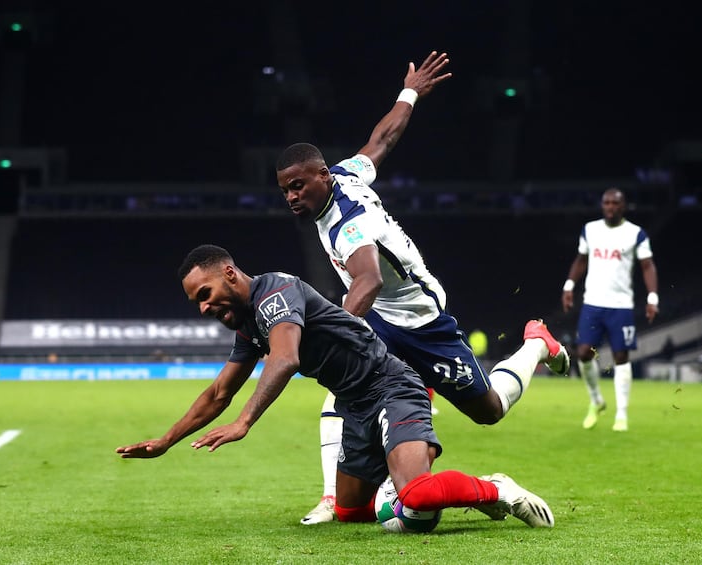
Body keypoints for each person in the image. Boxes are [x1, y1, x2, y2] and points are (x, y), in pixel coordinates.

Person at [274, 51, 570, 524]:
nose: (291, 197)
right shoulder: (346, 175)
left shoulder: (350, 224)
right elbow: (383, 138)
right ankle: (337, 497)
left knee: (488, 410)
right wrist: (409, 92)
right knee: (342, 387)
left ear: (321, 175)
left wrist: (335, 330)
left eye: (298, 185)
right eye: (285, 190)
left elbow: (367, 279)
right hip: (381, 318)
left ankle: (536, 344)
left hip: (419, 319)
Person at [115, 244, 555, 530]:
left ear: (230, 273)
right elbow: (218, 393)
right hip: (356, 405)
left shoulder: (276, 293)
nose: (204, 307)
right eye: (198, 303)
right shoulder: (249, 324)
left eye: (205, 294)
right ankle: (402, 488)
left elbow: (285, 358)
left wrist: (244, 422)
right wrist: (165, 442)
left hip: (392, 387)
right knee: (350, 513)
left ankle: (498, 490)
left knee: (418, 498)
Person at [561, 188, 659, 432]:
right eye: (606, 203)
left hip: (621, 306)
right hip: (593, 303)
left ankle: (622, 414)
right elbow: (581, 259)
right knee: (583, 353)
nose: (610, 207)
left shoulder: (636, 234)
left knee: (621, 358)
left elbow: (647, 266)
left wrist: (652, 297)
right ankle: (596, 401)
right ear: (602, 205)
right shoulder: (590, 229)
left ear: (623, 206)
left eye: (615, 203)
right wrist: (569, 285)